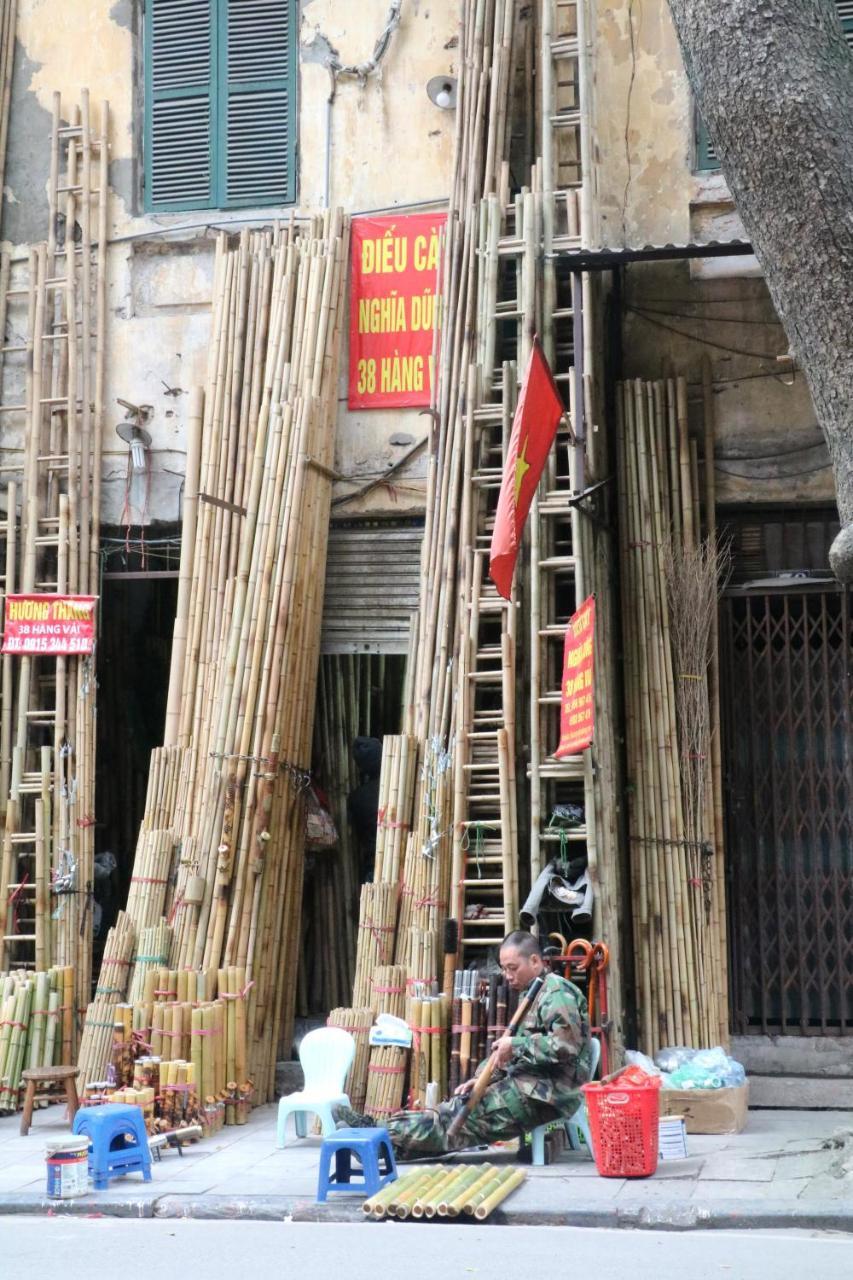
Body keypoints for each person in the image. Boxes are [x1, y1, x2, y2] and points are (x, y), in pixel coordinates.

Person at [336, 929, 593, 1158]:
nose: (508, 976)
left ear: (535, 961)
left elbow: (564, 1047)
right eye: (504, 969)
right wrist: (484, 1076)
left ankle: (376, 1133)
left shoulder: (557, 993)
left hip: (549, 1094)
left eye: (513, 968)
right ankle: (382, 1145)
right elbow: (516, 1054)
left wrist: (515, 1045)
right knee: (456, 1109)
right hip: (528, 1084)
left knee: (465, 1119)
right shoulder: (533, 992)